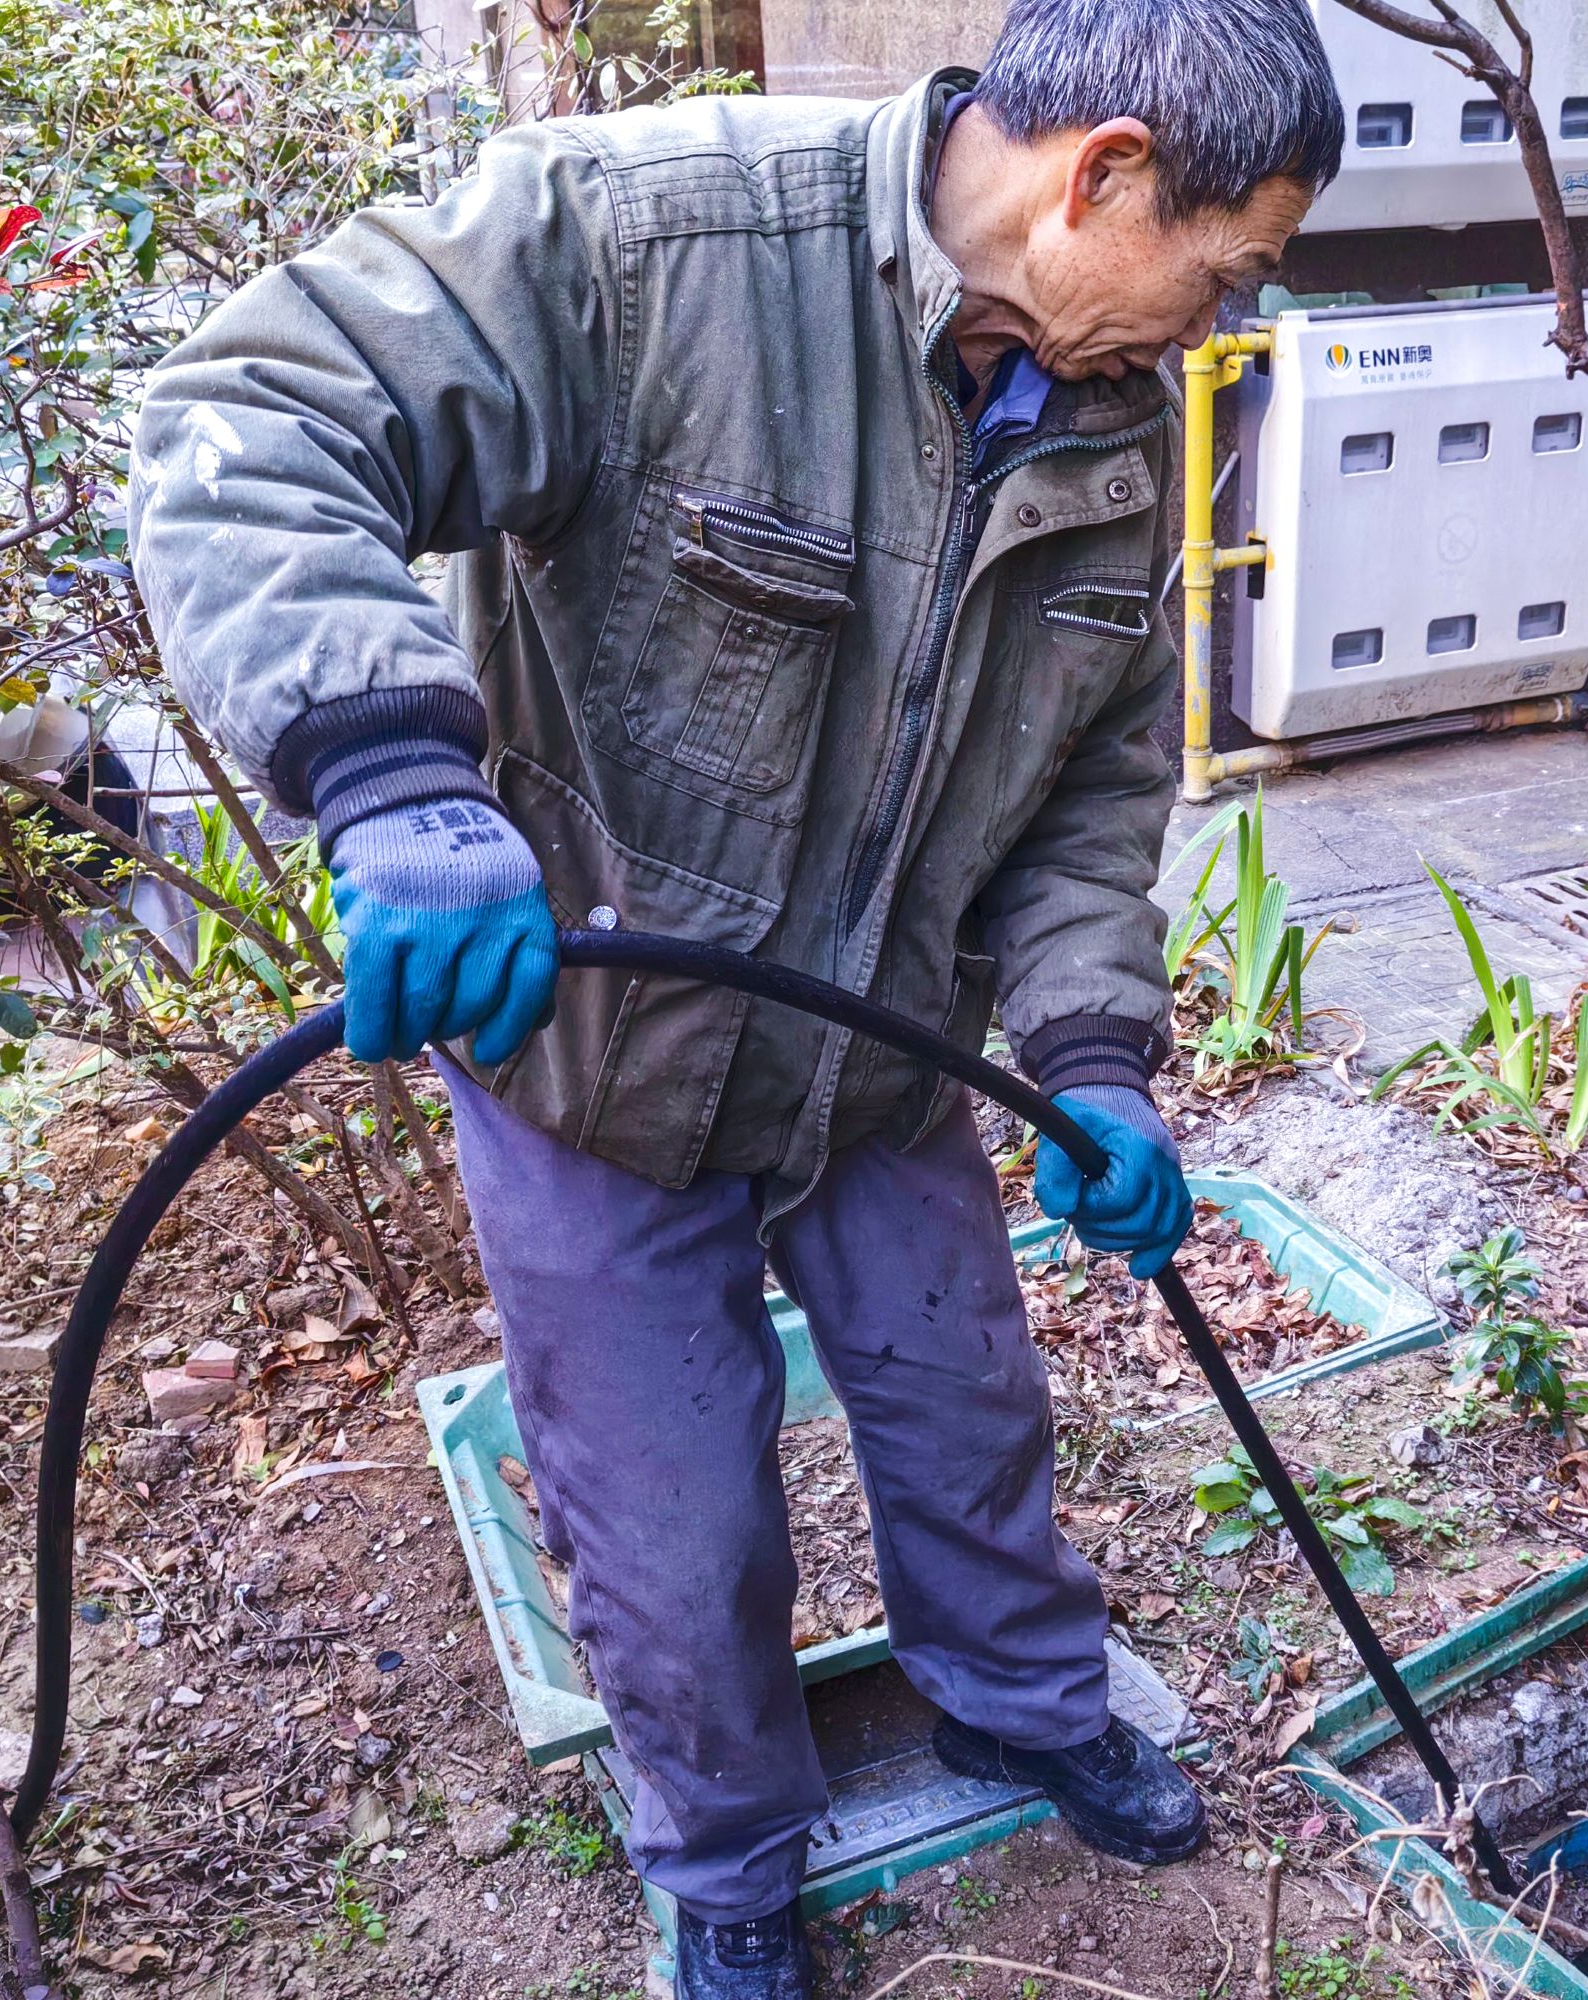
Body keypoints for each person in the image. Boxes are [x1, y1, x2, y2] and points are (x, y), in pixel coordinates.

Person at [126, 3, 1342, 1993]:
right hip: (604, 1066)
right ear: (1105, 173)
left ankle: (1022, 1702)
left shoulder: (1112, 411)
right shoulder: (645, 243)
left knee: (968, 1417)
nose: (1225, 322)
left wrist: (1095, 1058)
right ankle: (729, 1859)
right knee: (673, 1537)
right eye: (1230, 270)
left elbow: (1092, 794)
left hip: (882, 1066)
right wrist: (391, 763)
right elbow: (251, 417)